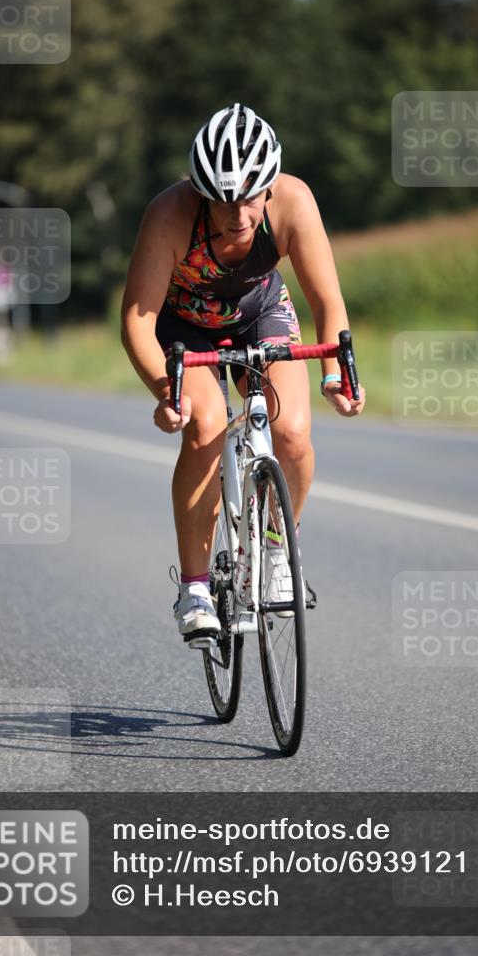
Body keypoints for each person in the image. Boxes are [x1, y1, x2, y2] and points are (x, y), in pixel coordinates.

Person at [122, 103, 365, 644]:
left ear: (270, 187)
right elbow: (136, 323)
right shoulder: (169, 215)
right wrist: (167, 390)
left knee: (293, 433)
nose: (237, 216)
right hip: (183, 327)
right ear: (201, 194)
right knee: (205, 425)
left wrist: (335, 376)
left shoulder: (294, 202)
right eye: (222, 202)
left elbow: (329, 302)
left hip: (261, 313)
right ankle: (194, 587)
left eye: (250, 199)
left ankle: (279, 547)